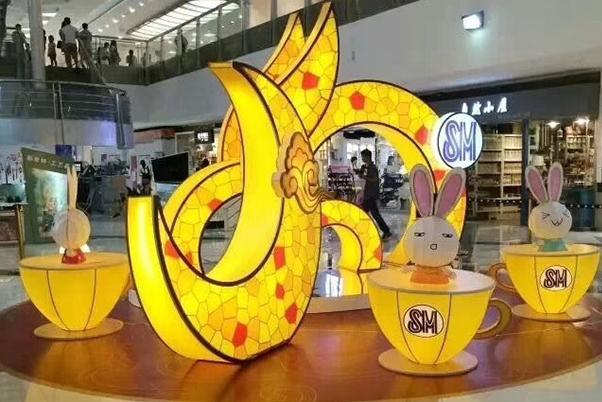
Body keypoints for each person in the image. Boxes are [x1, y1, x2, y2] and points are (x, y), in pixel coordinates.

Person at [359, 149, 392, 240]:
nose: (362, 158)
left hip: (371, 195)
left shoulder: (372, 168)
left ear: (367, 157)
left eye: (363, 156)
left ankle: (386, 231)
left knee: (375, 214)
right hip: (368, 194)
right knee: (364, 213)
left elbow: (374, 179)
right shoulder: (367, 167)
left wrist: (364, 177)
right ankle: (363, 231)